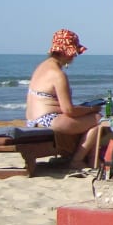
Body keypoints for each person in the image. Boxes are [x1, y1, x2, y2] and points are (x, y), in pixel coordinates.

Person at [25, 29, 103, 170]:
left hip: (32, 121)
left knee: (89, 117)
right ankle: (78, 160)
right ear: (67, 51)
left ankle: (78, 157)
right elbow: (69, 110)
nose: (75, 56)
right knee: (99, 119)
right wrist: (92, 109)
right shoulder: (58, 75)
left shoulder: (41, 67)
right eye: (74, 53)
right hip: (48, 119)